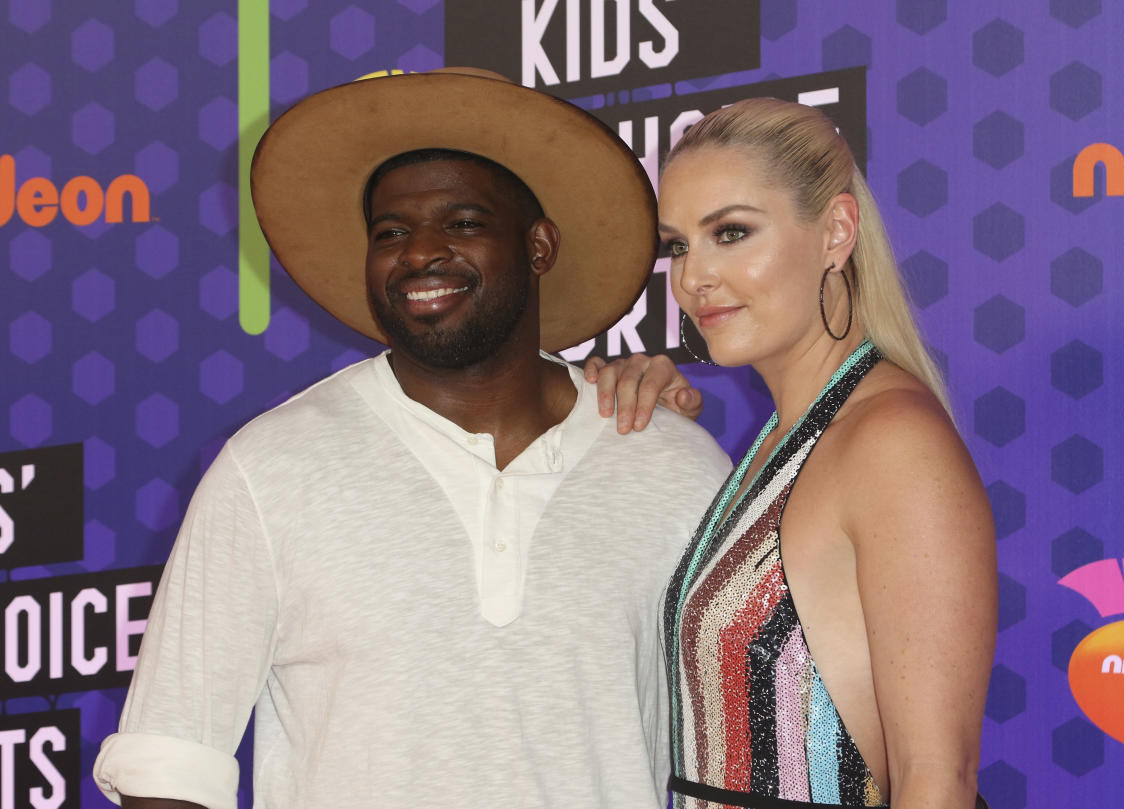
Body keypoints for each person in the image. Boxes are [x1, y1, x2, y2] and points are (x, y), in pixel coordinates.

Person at [92, 69, 732, 809]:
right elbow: (165, 769)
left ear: (538, 246)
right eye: (390, 232)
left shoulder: (673, 465)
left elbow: (743, 754)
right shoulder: (270, 469)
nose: (420, 252)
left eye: (462, 223)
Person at [641, 98, 998, 809]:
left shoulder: (891, 442)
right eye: (678, 245)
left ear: (835, 230)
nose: (693, 278)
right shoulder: (781, 439)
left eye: (731, 232)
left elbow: (936, 778)